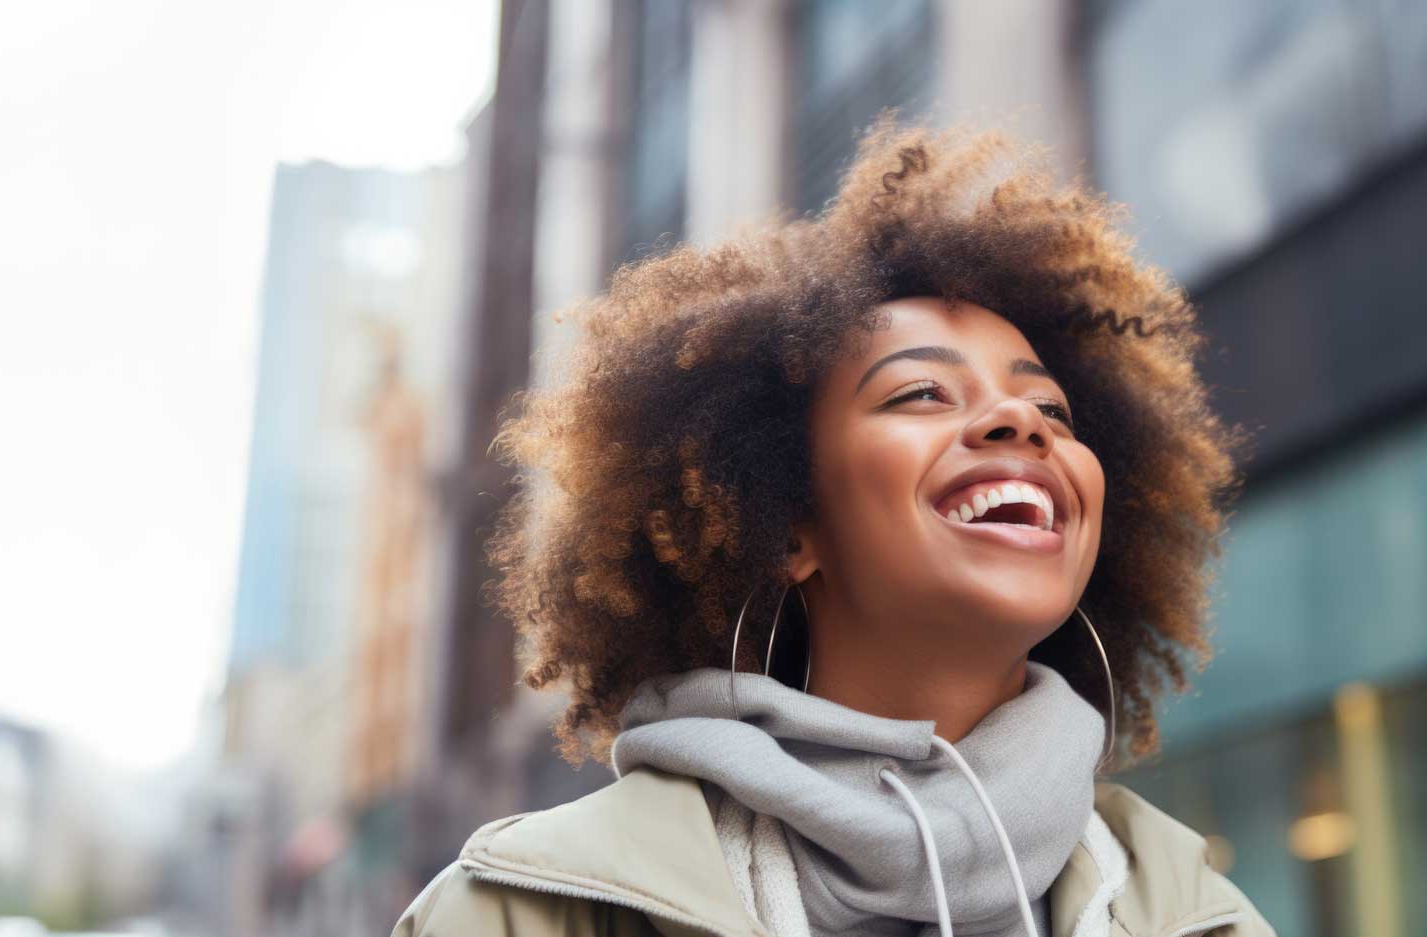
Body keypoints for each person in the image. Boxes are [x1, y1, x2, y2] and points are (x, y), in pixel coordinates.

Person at [394, 121, 1272, 937]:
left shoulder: (1201, 917)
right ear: (784, 526)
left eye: (1051, 406)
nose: (1023, 423)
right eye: (921, 392)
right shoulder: (517, 909)